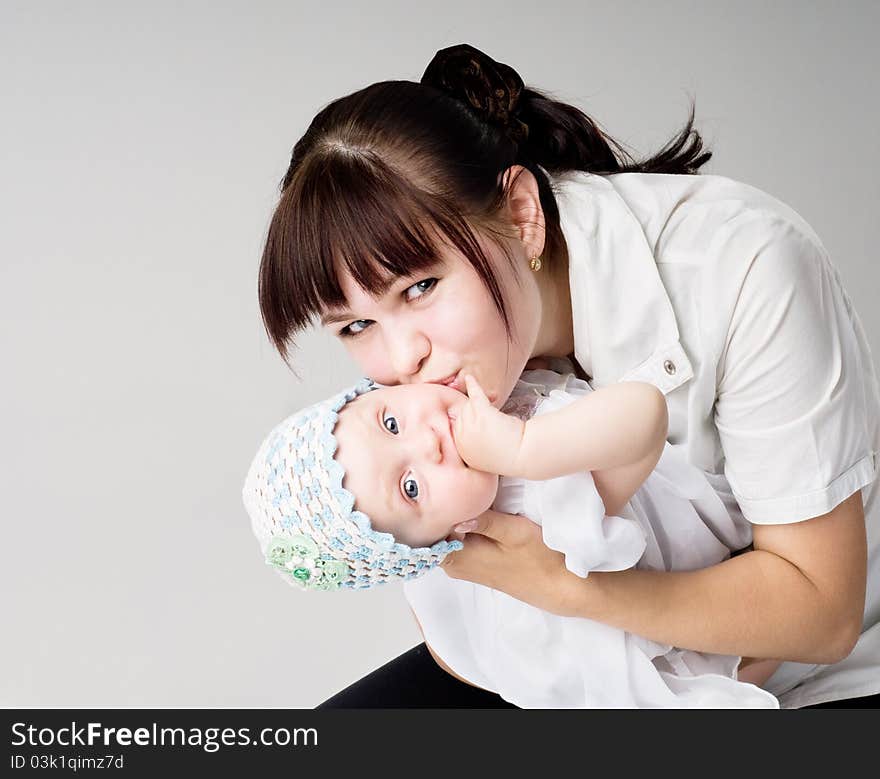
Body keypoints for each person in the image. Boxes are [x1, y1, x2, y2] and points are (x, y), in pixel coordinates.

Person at [256, 43, 880, 708]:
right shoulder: (432, 406)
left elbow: (822, 614)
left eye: (421, 286)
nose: (401, 358)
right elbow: (469, 635)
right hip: (583, 660)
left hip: (803, 668)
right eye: (355, 326)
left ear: (522, 215)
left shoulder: (746, 264)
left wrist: (572, 590)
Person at [242, 361, 779, 707]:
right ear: (443, 540)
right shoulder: (535, 499)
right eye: (410, 487)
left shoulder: (468, 402)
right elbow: (644, 416)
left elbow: (445, 637)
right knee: (717, 673)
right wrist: (522, 447)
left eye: (390, 423)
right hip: (712, 579)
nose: (426, 443)